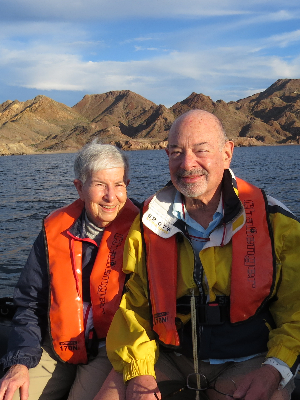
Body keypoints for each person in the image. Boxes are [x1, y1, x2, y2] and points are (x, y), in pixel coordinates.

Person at [97, 110, 300, 400]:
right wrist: (139, 370)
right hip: (167, 357)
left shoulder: (275, 222)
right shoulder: (147, 223)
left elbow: (296, 308)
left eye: (200, 150)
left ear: (227, 153)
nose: (187, 163)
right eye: (176, 152)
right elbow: (135, 307)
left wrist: (274, 369)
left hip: (248, 359)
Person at [0, 142, 140, 400]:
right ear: (80, 188)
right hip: (54, 346)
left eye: (119, 184)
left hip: (109, 349)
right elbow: (30, 303)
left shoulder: (144, 231)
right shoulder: (53, 231)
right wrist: (19, 362)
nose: (111, 196)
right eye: (100, 185)